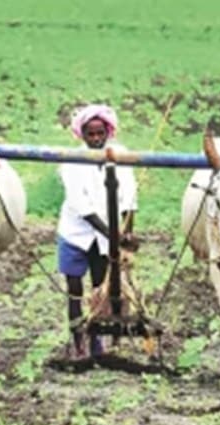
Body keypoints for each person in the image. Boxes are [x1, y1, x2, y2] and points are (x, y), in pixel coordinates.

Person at [56, 104, 139, 359]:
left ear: (108, 132)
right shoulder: (71, 161)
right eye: (90, 134)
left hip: (106, 237)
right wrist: (113, 234)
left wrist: (127, 231)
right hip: (76, 234)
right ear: (82, 135)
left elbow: (129, 197)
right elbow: (81, 205)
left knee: (99, 289)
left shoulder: (120, 156)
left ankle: (97, 343)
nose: (95, 139)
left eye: (99, 133)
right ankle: (78, 344)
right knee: (74, 290)